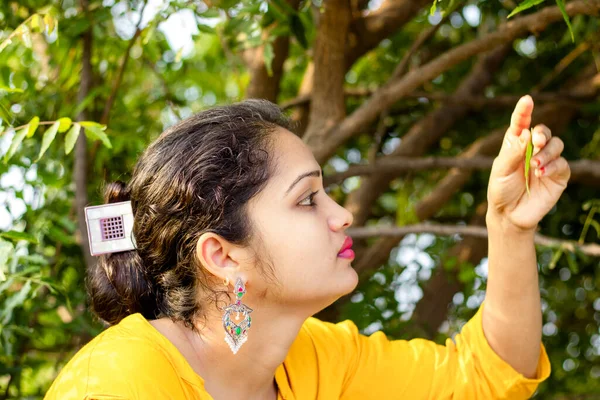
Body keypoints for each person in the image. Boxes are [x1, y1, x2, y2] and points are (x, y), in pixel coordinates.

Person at [45, 95, 566, 399]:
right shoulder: (117, 384)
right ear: (222, 256)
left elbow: (483, 378)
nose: (344, 215)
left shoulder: (315, 359)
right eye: (307, 199)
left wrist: (509, 228)